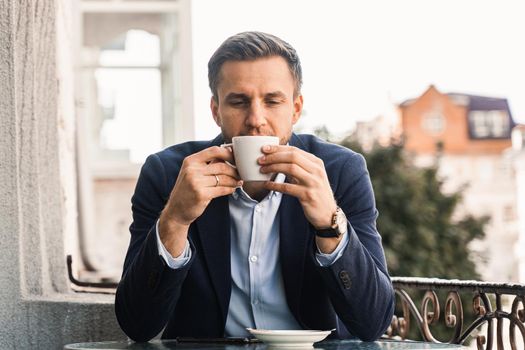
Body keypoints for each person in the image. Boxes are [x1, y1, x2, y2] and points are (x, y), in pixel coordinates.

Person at [115, 31, 395, 343]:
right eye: (238, 101)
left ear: (296, 109)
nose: (255, 120)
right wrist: (175, 220)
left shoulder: (340, 172)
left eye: (273, 101)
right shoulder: (168, 175)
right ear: (216, 110)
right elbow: (136, 324)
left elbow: (374, 322)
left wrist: (330, 225)